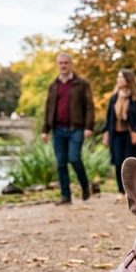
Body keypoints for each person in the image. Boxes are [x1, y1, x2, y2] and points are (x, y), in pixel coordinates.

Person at [42, 53, 94, 205]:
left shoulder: (82, 84)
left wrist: (88, 127)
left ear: (71, 64)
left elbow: (89, 107)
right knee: (61, 163)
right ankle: (66, 196)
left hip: (76, 129)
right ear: (57, 65)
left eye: (66, 63)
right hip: (57, 129)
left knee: (74, 158)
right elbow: (48, 109)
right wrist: (45, 130)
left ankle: (84, 185)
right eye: (60, 63)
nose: (63, 65)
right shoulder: (53, 86)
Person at [103, 69, 136, 196]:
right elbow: (109, 117)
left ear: (128, 80)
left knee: (132, 163)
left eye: (121, 77)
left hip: (131, 136)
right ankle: (121, 191)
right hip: (116, 135)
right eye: (118, 77)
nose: (118, 80)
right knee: (118, 162)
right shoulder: (114, 98)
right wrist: (106, 131)